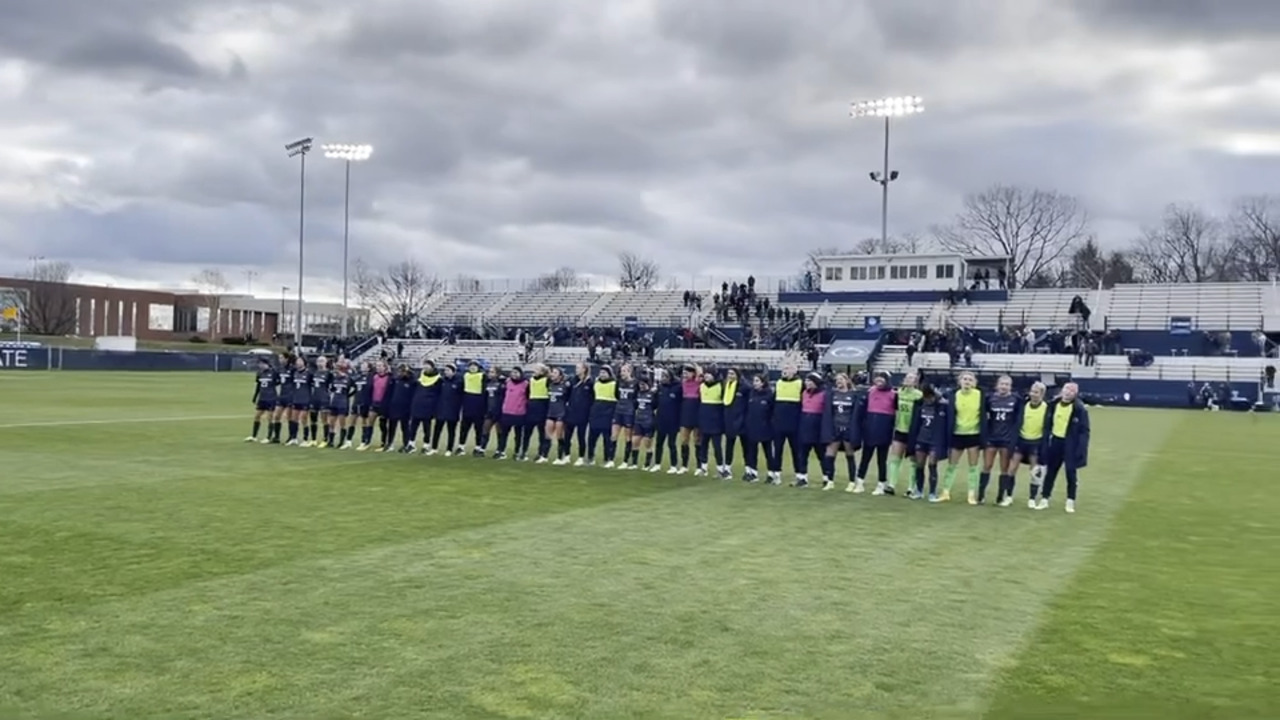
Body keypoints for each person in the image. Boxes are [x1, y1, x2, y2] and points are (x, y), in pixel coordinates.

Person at [1036, 382, 1090, 513]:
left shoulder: (1079, 409)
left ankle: (1070, 500)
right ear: (1062, 390)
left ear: (1075, 394)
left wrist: (1081, 449)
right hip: (1055, 442)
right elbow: (1047, 425)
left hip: (1070, 444)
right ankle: (1045, 498)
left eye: (1072, 391)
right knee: (1051, 472)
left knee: (1070, 473)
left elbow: (1084, 431)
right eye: (1066, 389)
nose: (1068, 392)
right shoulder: (1053, 405)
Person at [940, 370, 987, 504]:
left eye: (970, 379)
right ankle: (945, 492)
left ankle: (971, 495)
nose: (967, 382)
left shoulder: (980, 395)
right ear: (959, 381)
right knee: (952, 465)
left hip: (973, 434)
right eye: (964, 379)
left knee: (973, 466)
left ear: (975, 383)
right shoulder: (953, 395)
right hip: (957, 434)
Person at [980, 375, 1019, 505]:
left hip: (1006, 439)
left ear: (1011, 386)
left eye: (1007, 384)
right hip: (991, 437)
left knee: (1004, 468)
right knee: (987, 466)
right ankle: (981, 495)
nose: (1004, 386)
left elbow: (1018, 420)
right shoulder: (989, 398)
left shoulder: (1016, 399)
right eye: (1002, 384)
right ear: (997, 385)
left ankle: (1000, 496)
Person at [855, 371, 896, 495]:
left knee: (881, 459)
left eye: (882, 379)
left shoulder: (893, 394)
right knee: (865, 457)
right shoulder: (870, 392)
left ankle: (881, 485)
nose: (879, 381)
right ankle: (860, 483)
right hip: (870, 428)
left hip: (885, 429)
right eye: (877, 378)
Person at [907, 383, 950, 500]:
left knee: (932, 465)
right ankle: (919, 490)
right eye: (926, 397)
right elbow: (915, 424)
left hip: (935, 440)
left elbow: (948, 404)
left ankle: (932, 492)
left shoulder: (942, 406)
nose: (929, 399)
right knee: (919, 465)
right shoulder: (920, 406)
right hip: (921, 438)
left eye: (931, 397)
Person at [1011, 382, 1048, 507]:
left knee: (1035, 472)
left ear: (1042, 394)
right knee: (1012, 469)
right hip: (1021, 441)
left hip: (1036, 442)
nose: (1033, 394)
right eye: (1032, 391)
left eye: (1036, 392)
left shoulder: (1046, 408)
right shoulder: (1023, 405)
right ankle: (1009, 496)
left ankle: (1032, 499)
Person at [886, 370, 922, 494]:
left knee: (913, 460)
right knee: (895, 458)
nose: (908, 380)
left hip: (913, 432)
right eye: (907, 377)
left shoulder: (919, 395)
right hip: (900, 429)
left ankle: (911, 487)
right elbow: (895, 409)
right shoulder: (899, 393)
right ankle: (891, 485)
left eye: (912, 378)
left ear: (916, 381)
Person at [822, 372, 859, 492]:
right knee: (829, 455)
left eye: (841, 379)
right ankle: (830, 481)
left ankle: (852, 482)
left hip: (848, 428)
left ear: (847, 381)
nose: (838, 382)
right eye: (837, 380)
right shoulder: (832, 394)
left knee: (849, 455)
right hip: (835, 428)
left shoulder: (853, 394)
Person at [769, 364, 803, 486]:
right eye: (784, 369)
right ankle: (776, 475)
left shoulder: (800, 384)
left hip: (794, 424)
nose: (785, 371)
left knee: (796, 451)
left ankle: (800, 476)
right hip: (779, 424)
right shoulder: (778, 383)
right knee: (777, 450)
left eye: (788, 369)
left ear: (795, 371)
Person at [793, 371, 826, 488]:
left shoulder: (824, 394)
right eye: (806, 381)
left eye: (810, 381)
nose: (807, 383)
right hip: (804, 424)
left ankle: (826, 478)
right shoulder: (804, 393)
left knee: (821, 455)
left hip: (817, 426)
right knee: (802, 454)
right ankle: (802, 478)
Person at [741, 374, 774, 482]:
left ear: (763, 382)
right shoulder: (751, 394)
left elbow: (772, 412)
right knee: (752, 452)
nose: (755, 383)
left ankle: (771, 474)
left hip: (766, 428)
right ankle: (753, 473)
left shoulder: (769, 395)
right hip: (752, 427)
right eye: (754, 380)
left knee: (768, 452)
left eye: (757, 381)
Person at [695, 368, 728, 478]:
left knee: (717, 446)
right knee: (703, 445)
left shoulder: (720, 386)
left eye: (709, 375)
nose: (706, 377)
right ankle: (703, 468)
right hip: (704, 420)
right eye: (706, 375)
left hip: (716, 421)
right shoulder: (702, 386)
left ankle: (720, 469)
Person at [585, 366, 617, 466]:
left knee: (607, 439)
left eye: (604, 372)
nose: (602, 374)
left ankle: (608, 458)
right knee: (591, 438)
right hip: (596, 413)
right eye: (601, 372)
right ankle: (591, 457)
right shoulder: (596, 384)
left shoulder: (614, 384)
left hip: (608, 412)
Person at [495, 367, 529, 460]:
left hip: (519, 413)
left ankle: (517, 452)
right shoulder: (507, 383)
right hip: (506, 412)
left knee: (518, 435)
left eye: (516, 372)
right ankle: (501, 451)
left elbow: (528, 397)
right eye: (513, 372)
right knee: (504, 434)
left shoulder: (526, 384)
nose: (514, 374)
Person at [408, 361, 441, 454]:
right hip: (417, 405)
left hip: (428, 407)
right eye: (425, 365)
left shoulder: (438, 379)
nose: (425, 367)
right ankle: (411, 444)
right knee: (413, 426)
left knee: (426, 427)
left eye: (428, 365)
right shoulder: (421, 376)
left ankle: (426, 445)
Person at [381, 364, 415, 452]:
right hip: (394, 407)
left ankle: (406, 444)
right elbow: (389, 393)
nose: (401, 373)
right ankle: (390, 444)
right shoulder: (395, 380)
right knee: (392, 426)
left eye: (403, 371)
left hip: (405, 408)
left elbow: (414, 396)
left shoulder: (412, 382)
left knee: (405, 427)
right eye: (400, 371)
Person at [721, 368, 748, 477]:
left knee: (745, 446)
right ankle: (727, 469)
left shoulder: (744, 387)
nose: (730, 376)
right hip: (729, 419)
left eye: (732, 373)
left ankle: (748, 469)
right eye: (729, 373)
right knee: (729, 445)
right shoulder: (726, 386)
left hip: (742, 420)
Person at [654, 368, 682, 473]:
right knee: (659, 443)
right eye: (662, 377)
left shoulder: (678, 388)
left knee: (671, 444)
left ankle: (674, 465)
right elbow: (655, 403)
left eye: (665, 376)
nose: (663, 379)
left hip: (673, 420)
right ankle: (657, 464)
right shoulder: (660, 388)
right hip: (661, 419)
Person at [675, 364, 701, 474]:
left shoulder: (698, 383)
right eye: (684, 372)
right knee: (684, 440)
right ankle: (684, 465)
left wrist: (694, 364)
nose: (685, 374)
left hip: (696, 413)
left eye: (688, 372)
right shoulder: (683, 384)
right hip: (685, 413)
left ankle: (700, 466)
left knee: (697, 440)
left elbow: (700, 373)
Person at [611, 364, 638, 469]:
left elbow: (637, 397)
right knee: (614, 436)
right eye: (621, 371)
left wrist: (631, 407)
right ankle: (611, 459)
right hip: (618, 411)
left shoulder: (635, 383)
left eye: (624, 371)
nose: (622, 373)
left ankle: (625, 461)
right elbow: (616, 395)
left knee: (627, 438)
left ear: (630, 372)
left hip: (629, 413)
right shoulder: (619, 382)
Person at [247, 357, 279, 443]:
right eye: (259, 364)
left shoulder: (274, 372)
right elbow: (258, 386)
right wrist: (255, 396)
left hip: (271, 398)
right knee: (257, 416)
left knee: (270, 417)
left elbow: (278, 382)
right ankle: (254, 436)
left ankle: (268, 437)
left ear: (266, 363)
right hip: (262, 398)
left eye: (261, 363)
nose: (260, 365)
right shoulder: (259, 373)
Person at [457, 361, 487, 455]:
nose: (473, 368)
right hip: (467, 405)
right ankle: (461, 446)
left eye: (475, 366)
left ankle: (478, 447)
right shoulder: (465, 376)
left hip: (479, 406)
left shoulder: (483, 376)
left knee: (478, 429)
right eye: (471, 366)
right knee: (464, 428)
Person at [567, 363, 594, 465]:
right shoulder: (572, 380)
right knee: (567, 435)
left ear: (584, 369)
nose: (576, 370)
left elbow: (592, 398)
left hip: (583, 413)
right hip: (571, 411)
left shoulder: (590, 382)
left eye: (578, 368)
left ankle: (581, 457)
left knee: (581, 436)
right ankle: (566, 455)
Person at [434, 363, 463, 455]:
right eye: (445, 370)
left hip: (453, 410)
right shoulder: (441, 381)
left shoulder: (459, 382)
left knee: (451, 431)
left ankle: (449, 449)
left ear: (453, 371)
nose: (446, 372)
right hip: (441, 410)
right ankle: (434, 448)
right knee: (437, 430)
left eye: (448, 370)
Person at [632, 373, 659, 471]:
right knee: (635, 441)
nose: (641, 386)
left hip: (649, 421)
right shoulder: (638, 393)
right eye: (640, 384)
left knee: (647, 443)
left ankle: (647, 464)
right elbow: (635, 405)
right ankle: (634, 463)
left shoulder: (652, 394)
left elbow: (655, 406)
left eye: (643, 384)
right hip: (638, 420)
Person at [544, 367, 570, 464]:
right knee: (547, 434)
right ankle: (544, 456)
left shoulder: (565, 386)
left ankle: (560, 457)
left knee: (559, 435)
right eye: (552, 372)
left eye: (555, 373)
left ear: (560, 375)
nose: (552, 374)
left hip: (561, 413)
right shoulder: (549, 384)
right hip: (551, 412)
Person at [326, 360, 354, 449]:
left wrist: (348, 395)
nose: (336, 371)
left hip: (343, 402)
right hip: (335, 401)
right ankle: (330, 441)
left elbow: (355, 388)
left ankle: (341, 441)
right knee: (331, 422)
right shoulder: (334, 378)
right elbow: (332, 388)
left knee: (342, 422)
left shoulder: (349, 378)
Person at [305, 356, 331, 448]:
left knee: (324, 420)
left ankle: (325, 440)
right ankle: (313, 439)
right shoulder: (314, 373)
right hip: (314, 398)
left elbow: (331, 387)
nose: (320, 363)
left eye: (322, 361)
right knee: (313, 420)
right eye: (319, 361)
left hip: (324, 399)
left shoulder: (329, 373)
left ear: (326, 362)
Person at [479, 366, 506, 457]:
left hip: (499, 411)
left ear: (498, 373)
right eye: (489, 372)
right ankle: (482, 449)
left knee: (500, 432)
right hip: (489, 410)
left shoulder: (502, 384)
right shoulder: (487, 383)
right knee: (485, 430)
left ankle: (500, 451)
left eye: (493, 372)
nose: (490, 374)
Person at [526, 364, 551, 461]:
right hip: (532, 408)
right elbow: (528, 393)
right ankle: (523, 451)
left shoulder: (547, 381)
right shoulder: (531, 380)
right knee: (527, 432)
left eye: (537, 369)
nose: (534, 371)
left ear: (542, 372)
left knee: (542, 433)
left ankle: (542, 453)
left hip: (542, 408)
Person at [286, 356, 312, 446]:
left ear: (304, 362)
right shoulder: (294, 373)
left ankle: (305, 439)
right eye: (297, 361)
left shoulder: (309, 374)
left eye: (300, 361)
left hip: (305, 399)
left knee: (304, 419)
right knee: (294, 419)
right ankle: (294, 438)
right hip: (296, 398)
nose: (298, 362)